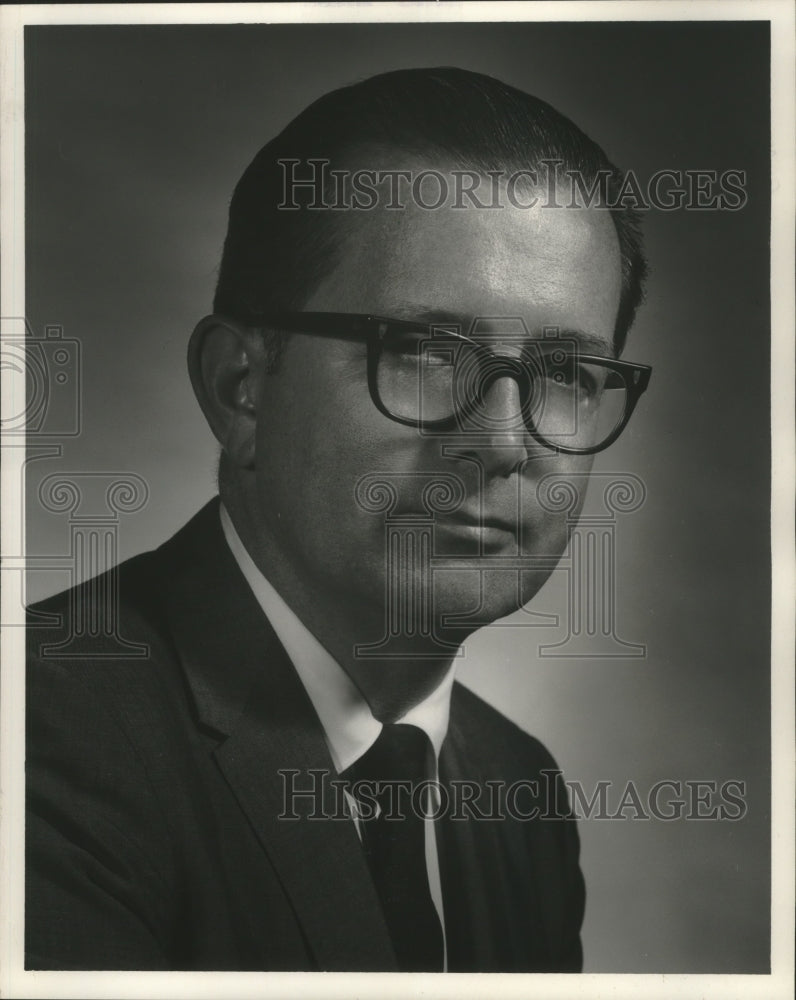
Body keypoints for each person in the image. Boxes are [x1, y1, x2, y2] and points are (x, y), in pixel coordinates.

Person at [25, 66, 650, 972]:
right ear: (241, 389)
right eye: (430, 353)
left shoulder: (521, 794)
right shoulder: (42, 738)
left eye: (565, 374)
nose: (505, 443)